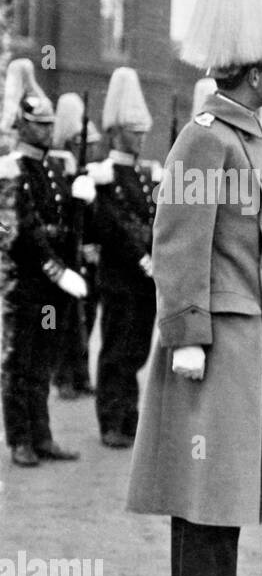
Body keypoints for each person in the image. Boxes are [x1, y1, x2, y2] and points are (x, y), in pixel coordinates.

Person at [124, 0, 262, 576]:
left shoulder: (249, 137)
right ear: (252, 72)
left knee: (230, 473)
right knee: (201, 471)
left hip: (248, 328)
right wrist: (186, 331)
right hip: (213, 332)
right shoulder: (203, 136)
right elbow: (178, 240)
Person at [0, 59, 91, 467]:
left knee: (43, 359)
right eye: (39, 124)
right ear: (21, 124)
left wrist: (78, 201)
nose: (47, 130)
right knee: (19, 360)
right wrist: (59, 270)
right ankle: (20, 438)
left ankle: (42, 435)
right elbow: (22, 231)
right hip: (23, 286)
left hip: (52, 293)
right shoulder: (10, 169)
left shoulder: (54, 169)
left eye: (49, 123)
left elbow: (62, 225)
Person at [93, 67, 159, 449]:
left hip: (143, 280)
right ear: (117, 131)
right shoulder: (106, 175)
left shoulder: (145, 176)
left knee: (136, 349)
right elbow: (114, 227)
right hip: (120, 276)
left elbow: (151, 221)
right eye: (135, 131)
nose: (141, 137)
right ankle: (110, 420)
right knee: (117, 350)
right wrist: (143, 260)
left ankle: (128, 416)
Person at [49, 92, 100, 400]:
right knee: (65, 320)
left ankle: (80, 374)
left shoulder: (89, 175)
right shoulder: (57, 171)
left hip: (88, 256)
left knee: (87, 317)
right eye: (86, 142)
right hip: (65, 257)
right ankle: (63, 376)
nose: (92, 147)